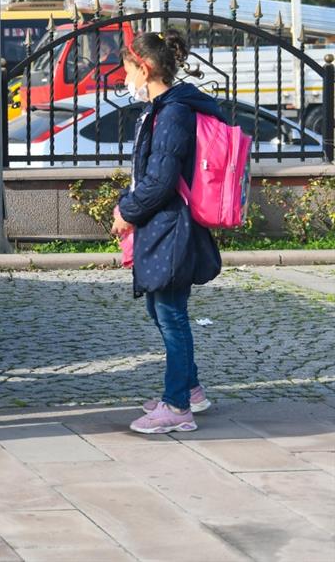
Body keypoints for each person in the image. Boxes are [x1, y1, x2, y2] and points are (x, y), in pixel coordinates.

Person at [111, 29, 221, 435]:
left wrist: (128, 211)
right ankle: (189, 390)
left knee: (171, 314)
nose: (126, 80)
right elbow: (148, 174)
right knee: (161, 309)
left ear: (145, 67)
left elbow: (160, 180)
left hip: (172, 226)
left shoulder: (173, 112)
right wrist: (128, 204)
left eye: (127, 70)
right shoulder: (163, 108)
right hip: (163, 223)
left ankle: (177, 407)